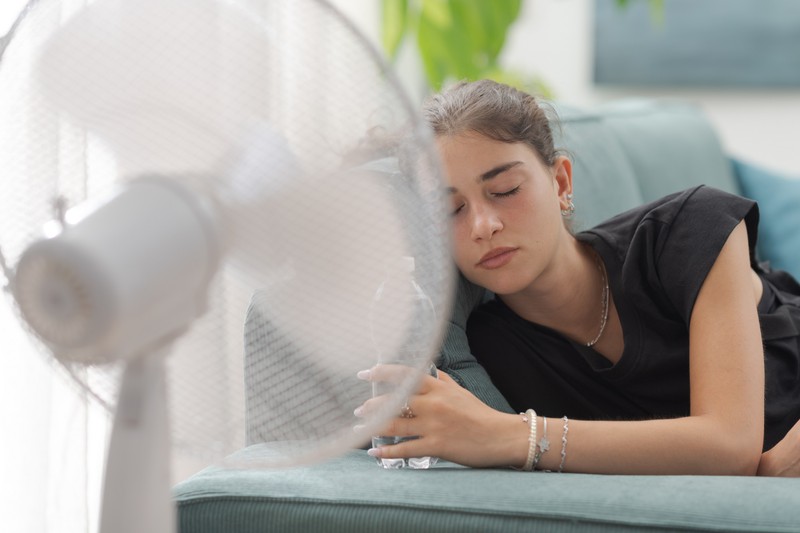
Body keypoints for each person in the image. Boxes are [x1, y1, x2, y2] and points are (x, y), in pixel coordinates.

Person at [354, 79, 800, 476]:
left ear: (562, 183)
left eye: (506, 190)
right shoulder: (492, 353)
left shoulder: (687, 229)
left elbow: (730, 445)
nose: (483, 226)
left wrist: (510, 435)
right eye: (450, 209)